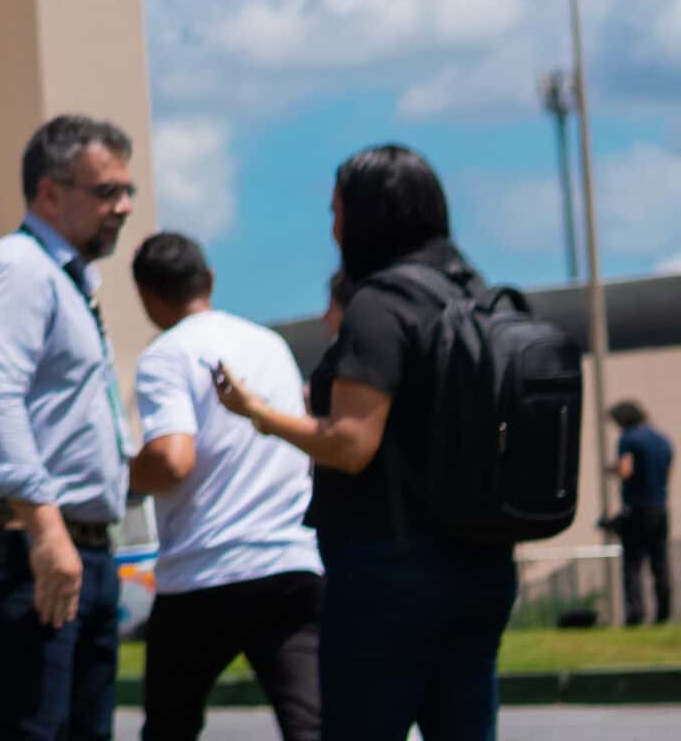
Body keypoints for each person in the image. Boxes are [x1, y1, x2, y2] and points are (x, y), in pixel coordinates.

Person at [214, 145, 519, 741]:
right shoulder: (475, 295)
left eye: (337, 211)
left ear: (371, 216)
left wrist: (258, 413)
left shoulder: (380, 305)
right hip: (481, 563)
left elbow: (351, 443)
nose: (332, 227)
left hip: (390, 570)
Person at [0, 113, 136, 741]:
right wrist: (49, 534)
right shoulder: (15, 272)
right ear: (49, 192)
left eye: (127, 191)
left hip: (76, 549)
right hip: (26, 545)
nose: (125, 207)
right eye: (106, 191)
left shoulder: (70, 282)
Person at [125, 232, 321, 741]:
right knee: (312, 725)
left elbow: (171, 459)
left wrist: (116, 474)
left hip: (204, 570)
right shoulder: (270, 344)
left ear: (146, 295)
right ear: (209, 280)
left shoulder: (166, 356)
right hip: (289, 560)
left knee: (171, 727)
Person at [611, 400, 673, 626]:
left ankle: (635, 614)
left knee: (632, 565)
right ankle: (664, 613)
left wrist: (613, 469)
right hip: (659, 508)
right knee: (660, 563)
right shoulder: (662, 439)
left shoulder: (628, 438)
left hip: (637, 509)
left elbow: (626, 469)